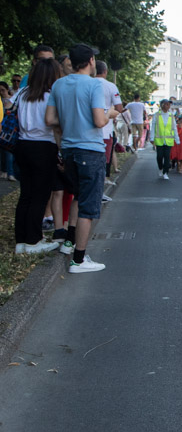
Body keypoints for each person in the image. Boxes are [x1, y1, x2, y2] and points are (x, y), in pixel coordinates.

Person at [44, 44, 110, 273]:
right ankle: (79, 260)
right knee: (88, 207)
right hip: (90, 150)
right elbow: (99, 121)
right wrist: (109, 114)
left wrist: (71, 118)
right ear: (91, 61)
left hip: (69, 150)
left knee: (78, 197)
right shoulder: (94, 85)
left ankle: (69, 243)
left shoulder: (59, 84)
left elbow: (50, 119)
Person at [12, 58, 61, 254]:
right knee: (40, 196)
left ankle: (21, 240)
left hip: (23, 145)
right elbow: (54, 123)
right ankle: (33, 241)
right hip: (44, 146)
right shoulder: (50, 96)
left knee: (26, 194)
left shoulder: (23, 93)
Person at [94, 61, 123, 185]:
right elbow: (119, 108)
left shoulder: (86, 84)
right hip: (105, 129)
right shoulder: (111, 86)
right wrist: (110, 112)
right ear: (105, 72)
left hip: (87, 131)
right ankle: (103, 181)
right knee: (105, 158)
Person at [150, 99, 179, 179]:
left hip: (169, 140)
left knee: (167, 157)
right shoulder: (156, 115)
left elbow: (174, 128)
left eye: (169, 104)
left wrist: (177, 139)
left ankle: (165, 172)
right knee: (159, 156)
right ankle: (160, 167)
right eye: (166, 104)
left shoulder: (171, 116)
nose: (168, 106)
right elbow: (153, 127)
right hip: (159, 139)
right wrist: (152, 138)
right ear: (162, 105)